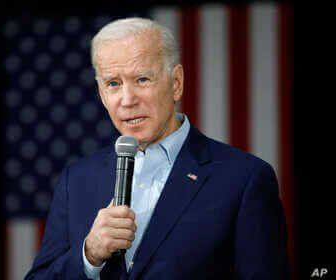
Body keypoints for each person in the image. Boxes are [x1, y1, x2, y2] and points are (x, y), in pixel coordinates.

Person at [25, 17, 290, 280]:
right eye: (113, 84)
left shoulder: (244, 179)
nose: (127, 100)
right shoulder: (77, 180)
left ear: (176, 83)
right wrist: (89, 256)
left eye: (142, 79)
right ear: (102, 93)